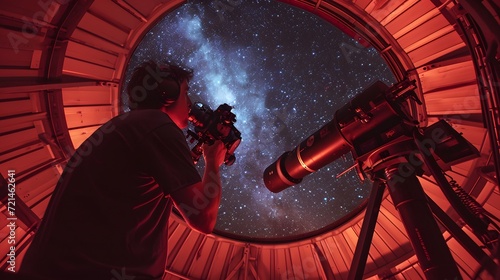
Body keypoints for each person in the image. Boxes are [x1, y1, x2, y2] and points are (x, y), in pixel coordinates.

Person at [18, 60, 227, 280]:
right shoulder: (158, 125)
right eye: (186, 92)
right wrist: (213, 161)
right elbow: (203, 218)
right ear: (168, 92)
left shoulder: (128, 126)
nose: (190, 103)